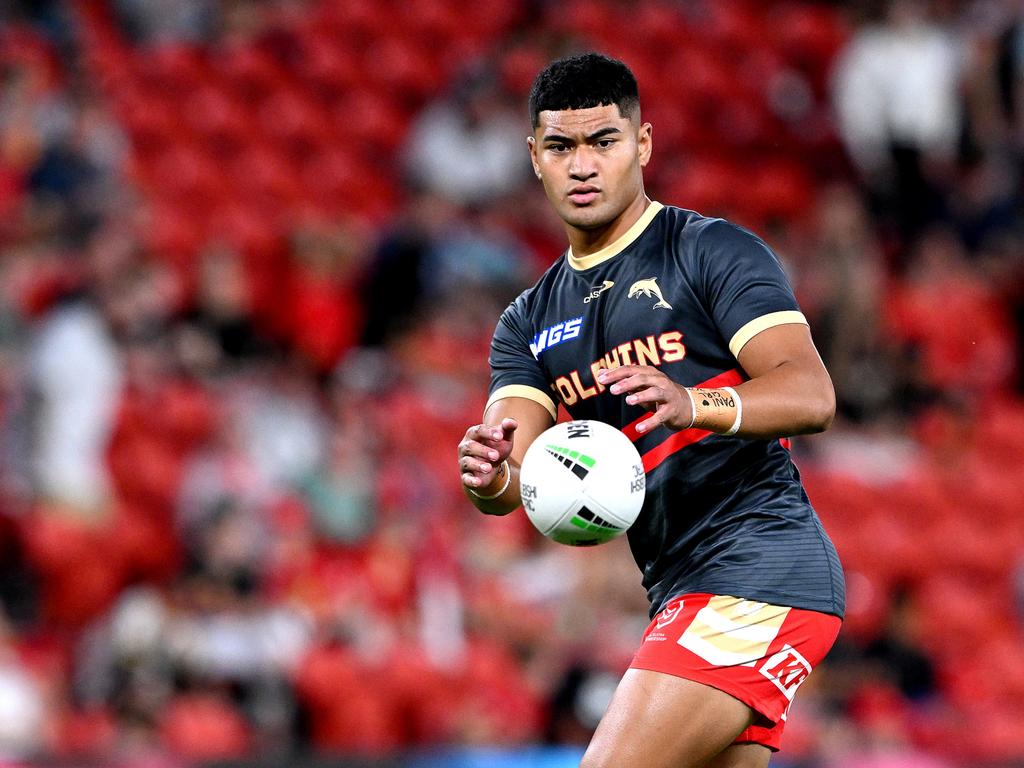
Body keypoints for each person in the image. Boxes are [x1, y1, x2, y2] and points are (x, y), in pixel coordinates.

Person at [456, 53, 845, 768]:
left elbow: (811, 394)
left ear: (642, 145)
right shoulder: (526, 323)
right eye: (561, 146)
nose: (582, 166)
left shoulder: (710, 252)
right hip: (677, 589)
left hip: (757, 574)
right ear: (534, 158)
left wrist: (694, 402)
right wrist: (488, 477)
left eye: (603, 142)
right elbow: (514, 472)